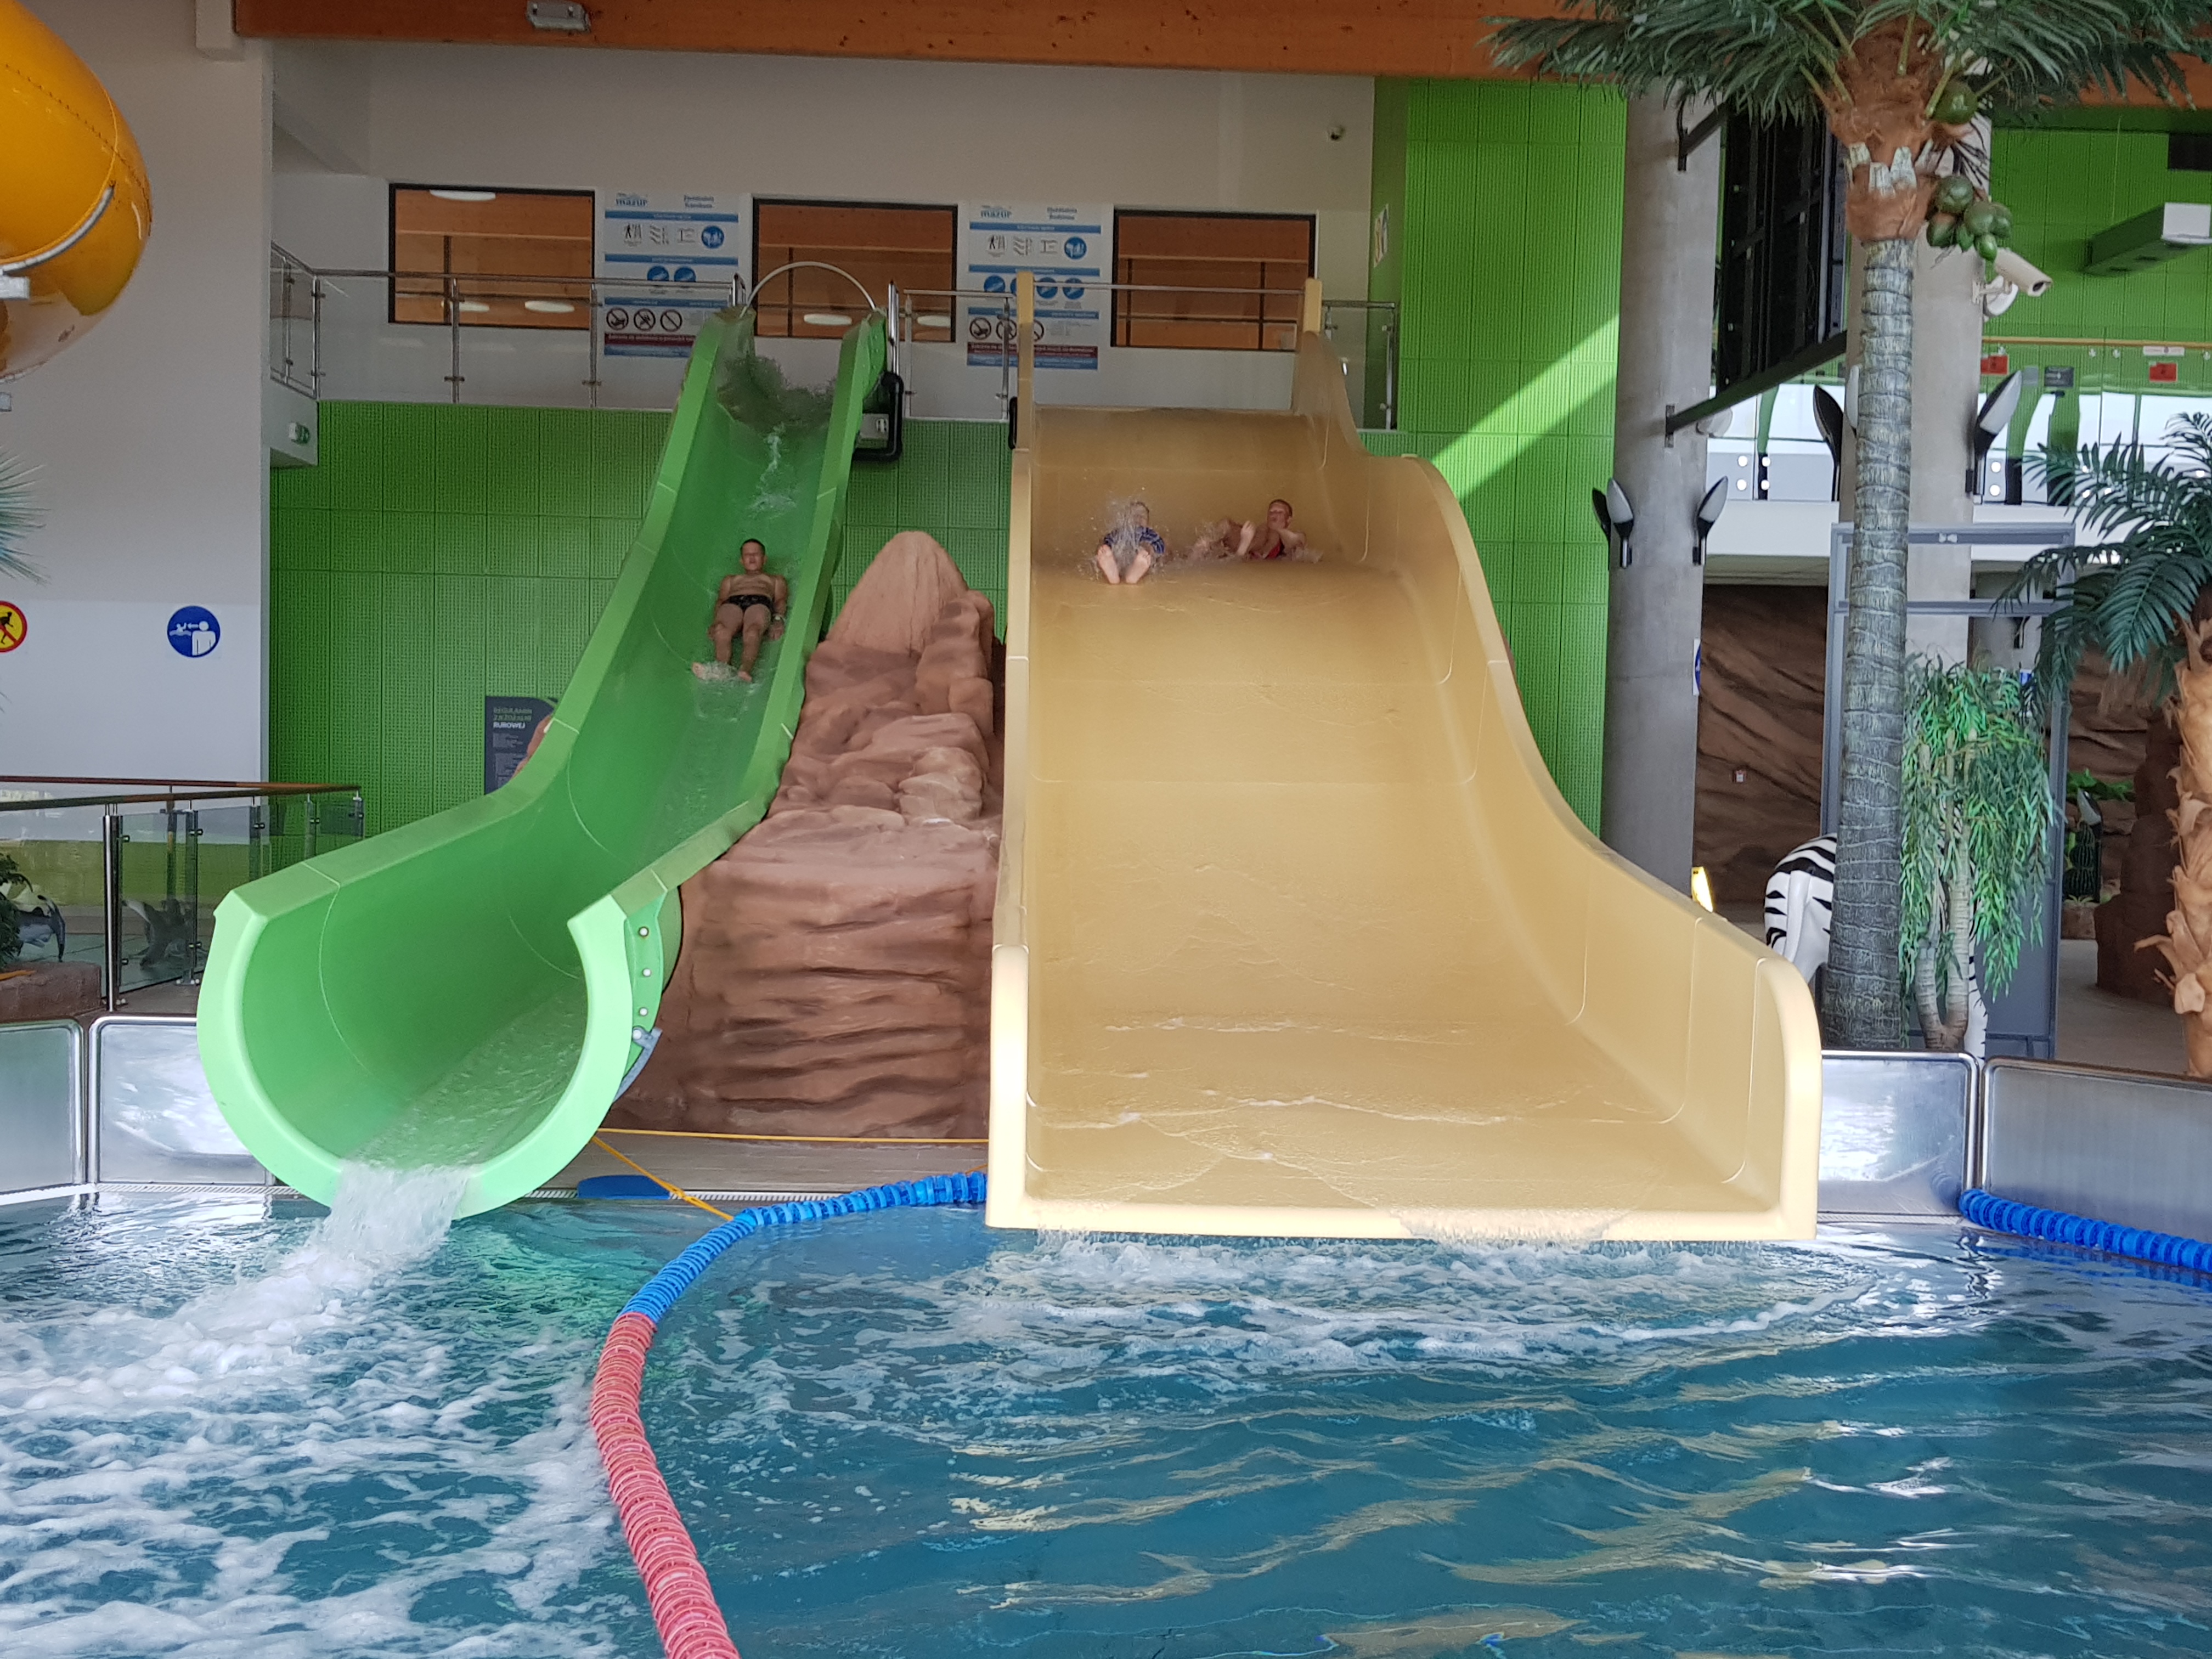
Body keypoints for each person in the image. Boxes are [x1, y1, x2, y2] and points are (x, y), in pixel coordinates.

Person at [697, 537, 788, 681]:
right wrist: (715, 623)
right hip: (733, 603)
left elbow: (780, 601)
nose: (751, 558)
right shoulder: (730, 580)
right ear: (741, 561)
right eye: (747, 555)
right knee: (721, 630)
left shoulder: (775, 580)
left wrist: (778, 620)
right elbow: (721, 601)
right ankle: (722, 668)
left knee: (753, 631)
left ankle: (745, 669)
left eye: (756, 554)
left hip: (760, 602)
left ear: (764, 559)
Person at [1095, 501, 1167, 585]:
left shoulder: (1148, 534)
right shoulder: (1119, 533)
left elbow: (1159, 547)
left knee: (1147, 551)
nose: (1138, 518)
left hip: (1139, 556)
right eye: (1135, 516)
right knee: (1105, 550)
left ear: (1148, 523)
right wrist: (1103, 547)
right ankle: (1113, 572)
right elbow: (1106, 542)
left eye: (1142, 516)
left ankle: (1132, 573)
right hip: (1120, 557)